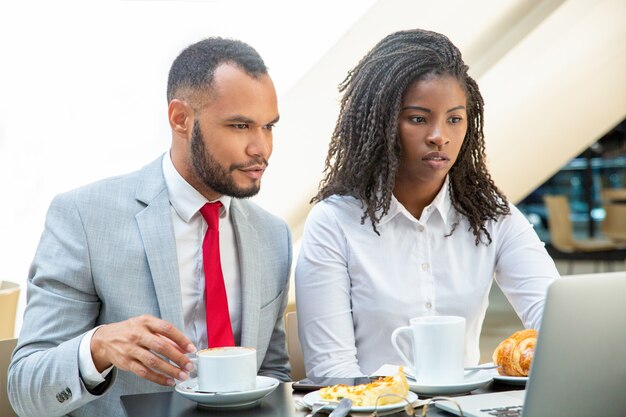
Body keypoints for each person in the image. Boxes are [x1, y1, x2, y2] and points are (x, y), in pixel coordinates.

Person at [9, 37, 292, 417]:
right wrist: (99, 346)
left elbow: (272, 376)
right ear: (180, 118)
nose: (261, 148)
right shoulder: (85, 218)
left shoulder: (272, 236)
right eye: (240, 125)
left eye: (269, 126)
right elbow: (26, 390)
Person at [295, 29, 560, 378]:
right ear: (380, 125)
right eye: (418, 119)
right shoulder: (334, 221)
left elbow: (557, 321)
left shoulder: (491, 215)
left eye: (454, 118)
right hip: (373, 410)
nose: (440, 136)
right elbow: (332, 371)